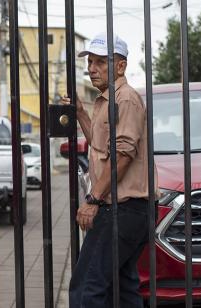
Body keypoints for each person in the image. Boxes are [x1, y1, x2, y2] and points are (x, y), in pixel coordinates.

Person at [64, 32, 159, 307]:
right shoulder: (106, 101)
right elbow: (99, 146)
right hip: (129, 210)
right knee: (123, 288)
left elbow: (123, 153)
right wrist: (81, 113)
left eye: (100, 62)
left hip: (121, 209)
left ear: (120, 66)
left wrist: (93, 199)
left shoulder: (124, 99)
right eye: (90, 62)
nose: (92, 69)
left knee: (86, 289)